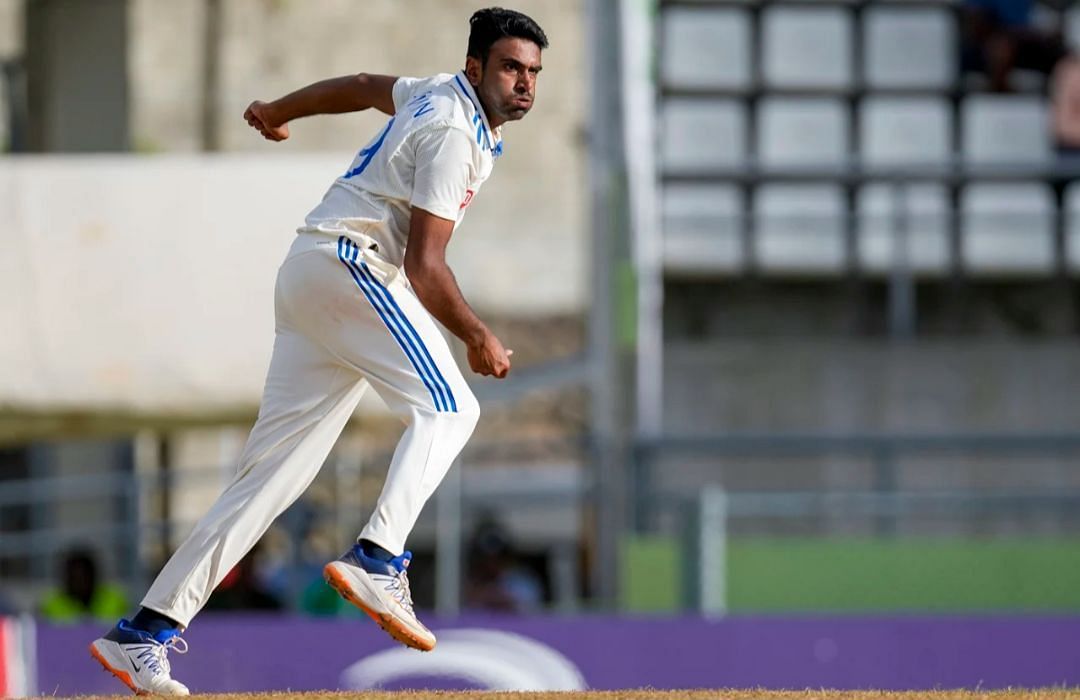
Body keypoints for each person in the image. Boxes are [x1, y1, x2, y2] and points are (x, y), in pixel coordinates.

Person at [89, 8, 547, 695]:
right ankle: (379, 559)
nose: (525, 84)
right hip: (350, 266)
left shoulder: (434, 92)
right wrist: (476, 332)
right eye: (511, 67)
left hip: (309, 274)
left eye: (534, 72)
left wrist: (281, 108)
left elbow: (364, 84)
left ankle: (144, 633)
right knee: (452, 409)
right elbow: (425, 267)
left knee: (268, 481)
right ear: (476, 68)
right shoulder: (456, 131)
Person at [39, 547, 128, 623]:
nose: (79, 583)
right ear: (66, 578)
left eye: (84, 576)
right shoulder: (51, 606)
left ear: (94, 575)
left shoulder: (116, 601)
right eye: (75, 578)